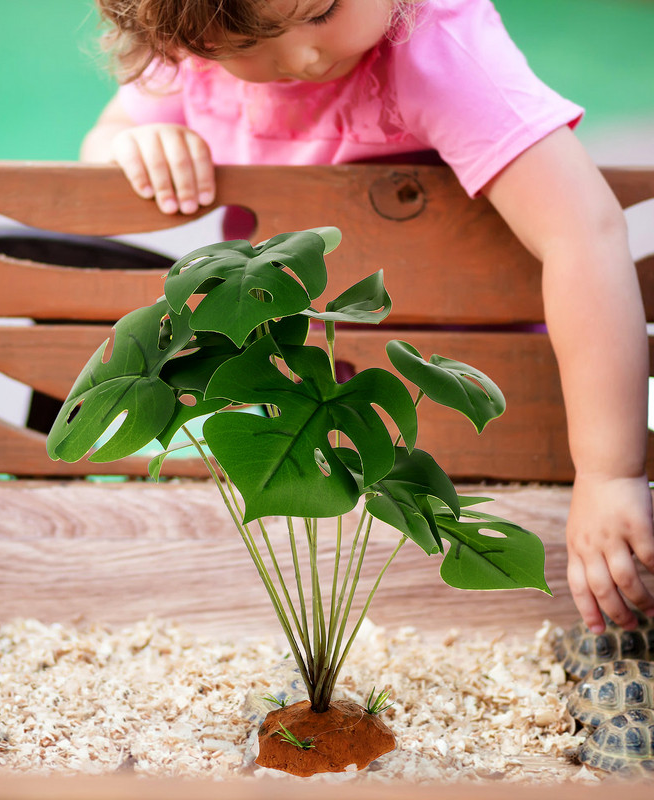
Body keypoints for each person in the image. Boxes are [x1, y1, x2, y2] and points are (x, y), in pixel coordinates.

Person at [80, 0, 654, 633]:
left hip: (452, 401)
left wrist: (608, 472)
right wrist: (132, 144)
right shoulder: (192, 50)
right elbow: (104, 142)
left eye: (324, 11)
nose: (304, 55)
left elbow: (583, 231)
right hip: (305, 408)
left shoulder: (434, 51)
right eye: (251, 39)